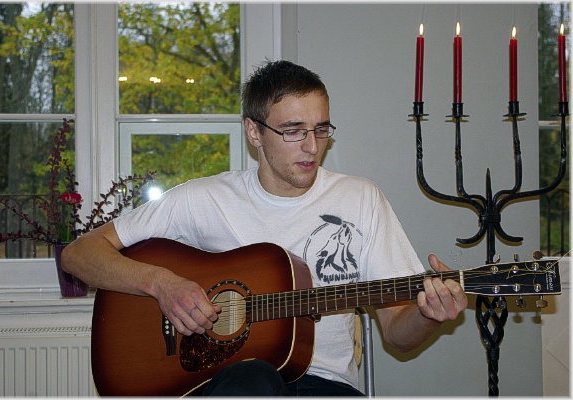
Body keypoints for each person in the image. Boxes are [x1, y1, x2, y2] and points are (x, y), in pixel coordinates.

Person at [62, 60, 468, 396]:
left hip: (325, 385)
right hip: (227, 381)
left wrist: (429, 316)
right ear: (254, 131)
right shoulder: (203, 199)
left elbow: (397, 333)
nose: (312, 146)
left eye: (321, 129)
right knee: (254, 379)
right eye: (293, 131)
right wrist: (162, 284)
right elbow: (78, 255)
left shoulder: (361, 199)